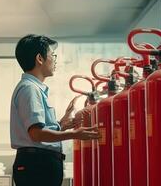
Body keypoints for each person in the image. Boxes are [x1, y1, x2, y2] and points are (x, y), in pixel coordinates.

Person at [10, 34, 100, 186]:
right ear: (40, 58)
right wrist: (74, 134)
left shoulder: (34, 89)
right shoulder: (30, 89)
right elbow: (36, 134)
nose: (55, 59)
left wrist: (62, 125)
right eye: (52, 55)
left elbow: (37, 130)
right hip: (37, 166)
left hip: (39, 164)